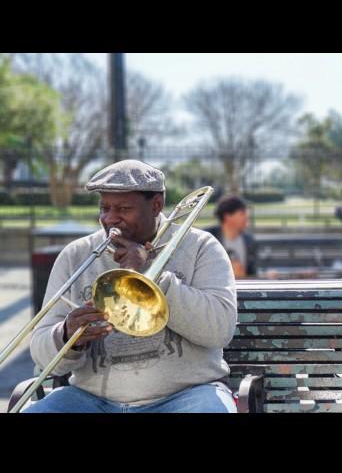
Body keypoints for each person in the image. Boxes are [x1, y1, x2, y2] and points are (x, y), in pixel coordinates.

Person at [25, 160, 238, 413]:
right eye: (104, 208)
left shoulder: (201, 246)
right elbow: (40, 349)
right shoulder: (76, 255)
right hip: (92, 400)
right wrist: (67, 335)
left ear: (156, 205)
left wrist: (152, 272)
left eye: (123, 208)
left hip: (186, 396)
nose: (110, 218)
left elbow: (219, 330)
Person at [205, 195, 257, 279]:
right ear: (227, 216)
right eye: (242, 213)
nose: (247, 217)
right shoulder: (207, 237)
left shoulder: (249, 240)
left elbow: (252, 273)